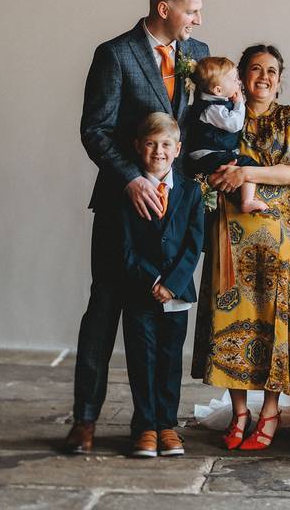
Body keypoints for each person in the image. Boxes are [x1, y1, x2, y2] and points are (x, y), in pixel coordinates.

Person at [68, 0, 209, 454]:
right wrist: (131, 179)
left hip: (175, 206)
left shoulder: (197, 53)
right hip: (122, 206)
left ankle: (154, 423)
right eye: (192, 10)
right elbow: (95, 129)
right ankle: (85, 420)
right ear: (164, 8)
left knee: (164, 319)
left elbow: (202, 126)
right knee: (105, 309)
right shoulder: (115, 54)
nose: (198, 20)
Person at [191, 44, 290, 450]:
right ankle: (240, 412)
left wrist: (247, 173)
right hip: (230, 236)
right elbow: (201, 161)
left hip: (277, 239)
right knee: (230, 320)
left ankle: (271, 412)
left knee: (272, 321)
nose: (264, 77)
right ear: (241, 77)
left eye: (272, 71)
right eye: (255, 69)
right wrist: (213, 176)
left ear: (280, 80)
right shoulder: (224, 114)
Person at [120, 113, 204, 457]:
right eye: (151, 144)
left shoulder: (191, 191)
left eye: (166, 144)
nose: (159, 151)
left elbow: (194, 243)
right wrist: (153, 280)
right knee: (142, 359)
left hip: (177, 294)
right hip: (139, 291)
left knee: (170, 360)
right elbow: (124, 246)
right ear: (138, 147)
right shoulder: (128, 192)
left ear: (178, 149)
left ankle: (167, 425)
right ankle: (145, 426)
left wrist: (172, 284)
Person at [186, 56, 268, 213]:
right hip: (207, 157)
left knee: (240, 166)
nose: (239, 82)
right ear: (218, 90)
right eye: (234, 80)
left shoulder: (216, 101)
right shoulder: (212, 108)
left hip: (210, 154)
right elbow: (235, 124)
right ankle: (247, 201)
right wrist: (239, 103)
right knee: (248, 164)